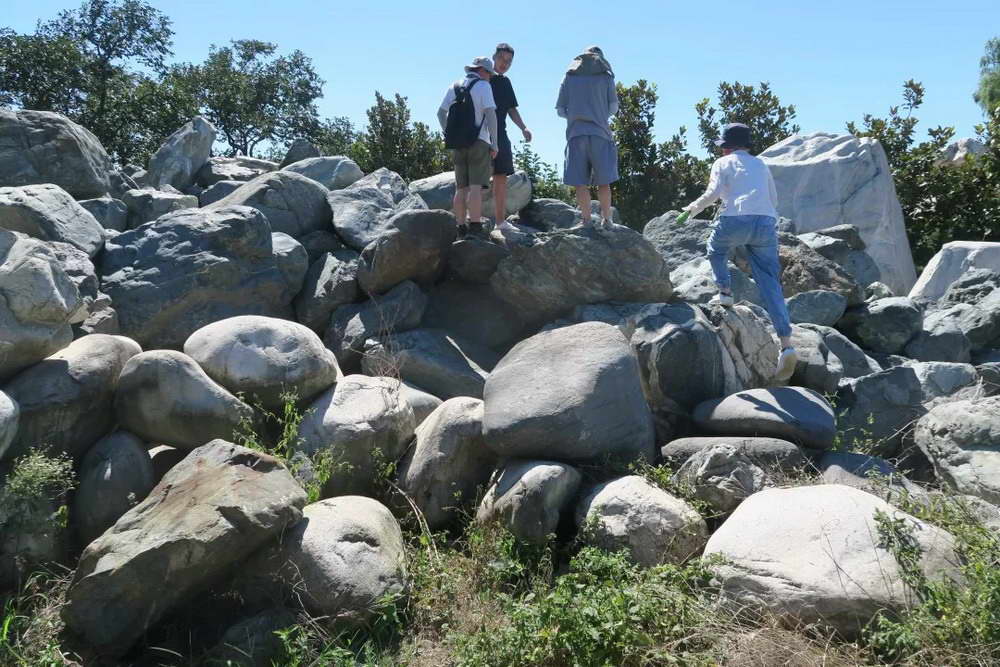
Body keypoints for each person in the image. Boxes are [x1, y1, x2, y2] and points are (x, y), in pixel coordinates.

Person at [681, 122, 798, 382]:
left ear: (726, 146)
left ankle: (724, 292)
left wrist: (692, 209)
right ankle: (787, 343)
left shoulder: (722, 164)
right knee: (770, 282)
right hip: (766, 222)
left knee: (716, 248)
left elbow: (712, 194)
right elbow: (774, 200)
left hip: (735, 218)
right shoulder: (761, 164)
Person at [556, 46, 619, 229]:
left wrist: (577, 115)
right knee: (604, 181)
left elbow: (561, 111)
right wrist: (598, 115)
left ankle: (585, 221)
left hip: (576, 133)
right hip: (601, 134)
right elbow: (613, 108)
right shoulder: (606, 77)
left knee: (579, 182)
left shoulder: (569, 77)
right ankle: (607, 220)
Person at [437, 57, 500, 238]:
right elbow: (490, 115)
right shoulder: (483, 86)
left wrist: (449, 134)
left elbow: (440, 113)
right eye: (489, 74)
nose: (490, 77)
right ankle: (474, 225)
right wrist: (494, 143)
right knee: (475, 187)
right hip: (479, 142)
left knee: (461, 188)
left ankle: (460, 226)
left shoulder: (454, 86)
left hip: (458, 144)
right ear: (482, 71)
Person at [490, 43, 532, 232]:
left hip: (500, 134)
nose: (504, 64)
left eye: (509, 61)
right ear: (494, 56)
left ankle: (500, 221)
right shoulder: (481, 78)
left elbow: (511, 109)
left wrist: (524, 127)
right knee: (474, 179)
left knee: (501, 178)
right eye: (501, 59)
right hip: (479, 135)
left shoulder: (505, 83)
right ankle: (470, 220)